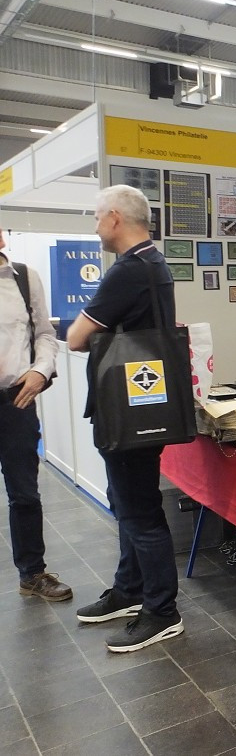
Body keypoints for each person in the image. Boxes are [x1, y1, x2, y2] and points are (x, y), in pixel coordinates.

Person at [67, 185, 184, 652]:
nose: (94, 227)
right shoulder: (154, 264)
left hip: (127, 413)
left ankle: (162, 609)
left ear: (115, 217)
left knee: (138, 510)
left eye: (97, 217)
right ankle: (129, 590)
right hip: (143, 407)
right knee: (129, 501)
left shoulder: (129, 271)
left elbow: (76, 337)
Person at [0, 226, 71, 602]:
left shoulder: (25, 279)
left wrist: (40, 370)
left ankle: (32, 572)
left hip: (15, 401)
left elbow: (45, 332)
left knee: (24, 492)